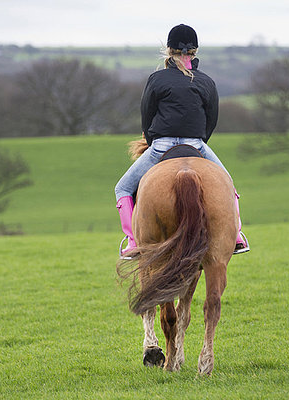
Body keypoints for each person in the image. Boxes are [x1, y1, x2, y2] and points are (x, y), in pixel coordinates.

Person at [114, 23, 249, 258]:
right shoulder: (206, 81)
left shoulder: (156, 79)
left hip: (161, 146)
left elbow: (146, 117)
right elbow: (211, 119)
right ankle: (236, 235)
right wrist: (198, 141)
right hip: (196, 144)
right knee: (229, 185)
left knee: (123, 187)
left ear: (169, 49)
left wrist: (155, 140)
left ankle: (133, 241)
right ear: (195, 51)